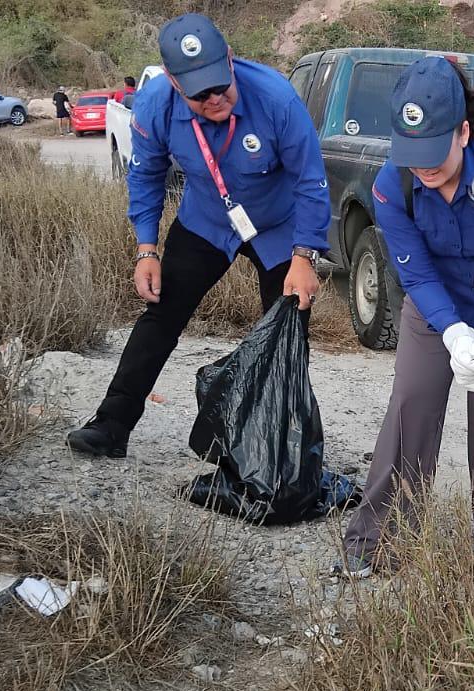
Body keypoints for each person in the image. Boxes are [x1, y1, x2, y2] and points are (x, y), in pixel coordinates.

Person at [67, 13, 331, 458]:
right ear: (173, 81)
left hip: (278, 228)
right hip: (207, 221)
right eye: (199, 93)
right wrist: (146, 249)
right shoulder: (155, 106)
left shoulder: (276, 98)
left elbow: (311, 180)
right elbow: (145, 176)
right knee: (161, 314)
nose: (214, 98)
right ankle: (111, 425)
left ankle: (283, 451)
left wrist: (304, 257)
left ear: (229, 58)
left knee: (287, 331)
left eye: (219, 85)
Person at [339, 56, 474, 577]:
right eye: (413, 156)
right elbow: (415, 272)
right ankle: (378, 539)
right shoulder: (394, 185)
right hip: (435, 306)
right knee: (411, 402)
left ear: (463, 131)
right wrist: (453, 331)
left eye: (434, 153)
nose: (424, 170)